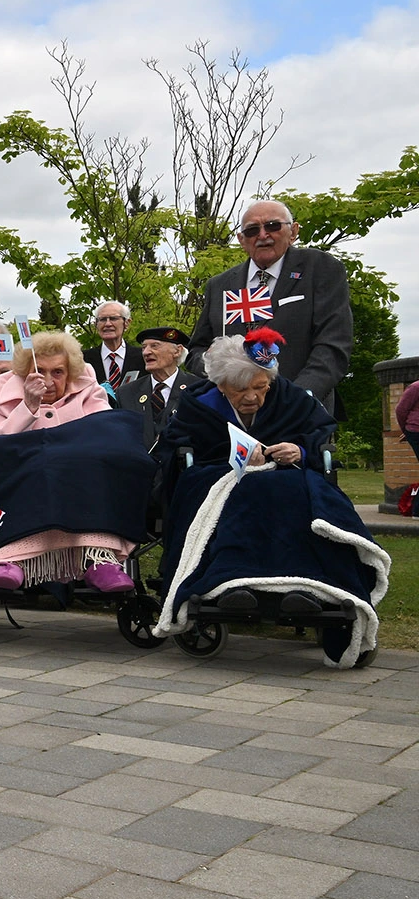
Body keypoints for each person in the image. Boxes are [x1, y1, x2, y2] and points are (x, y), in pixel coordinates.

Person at [157, 334, 382, 666]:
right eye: (240, 390)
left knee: (295, 491)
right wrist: (235, 459)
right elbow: (179, 448)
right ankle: (228, 580)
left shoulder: (290, 397)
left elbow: (318, 436)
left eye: (260, 387)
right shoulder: (198, 404)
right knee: (243, 491)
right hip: (219, 476)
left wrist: (300, 450)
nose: (252, 397)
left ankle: (310, 586)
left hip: (287, 474)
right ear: (221, 386)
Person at [0, 332, 137, 592]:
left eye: (58, 372)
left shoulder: (88, 386)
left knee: (93, 471)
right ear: (23, 373)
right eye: (39, 371)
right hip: (15, 474)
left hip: (78, 474)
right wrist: (28, 406)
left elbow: (105, 434)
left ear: (71, 372)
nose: (48, 380)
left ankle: (98, 560)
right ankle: (11, 560)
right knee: (37, 472)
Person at [187, 199, 353, 412]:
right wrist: (223, 373)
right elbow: (196, 350)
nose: (263, 235)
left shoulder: (320, 268)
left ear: (293, 231)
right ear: (241, 239)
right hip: (232, 412)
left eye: (273, 226)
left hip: (298, 410)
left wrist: (297, 396)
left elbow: (333, 344)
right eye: (252, 230)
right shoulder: (220, 285)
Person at [115, 326, 195, 450]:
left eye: (154, 346)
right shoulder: (126, 393)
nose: (146, 352)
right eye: (143, 347)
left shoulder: (197, 389)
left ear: (177, 351)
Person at [84, 301, 135, 389]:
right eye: (102, 319)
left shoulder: (143, 358)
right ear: (96, 324)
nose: (107, 324)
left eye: (113, 318)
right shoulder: (83, 360)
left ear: (126, 323)